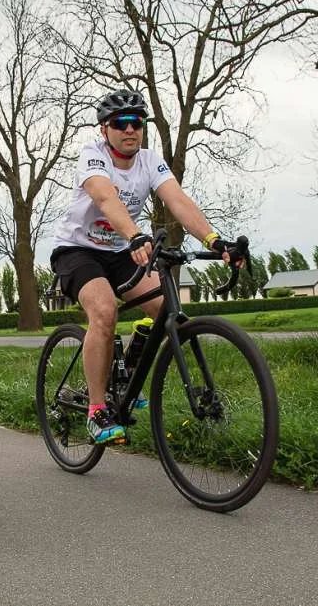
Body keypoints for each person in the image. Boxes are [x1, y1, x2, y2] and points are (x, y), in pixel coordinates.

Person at [50, 89, 239, 444]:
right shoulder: (93, 155)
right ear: (105, 129)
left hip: (123, 250)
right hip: (78, 250)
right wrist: (137, 234)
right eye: (120, 123)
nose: (130, 129)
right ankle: (96, 410)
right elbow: (105, 197)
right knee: (104, 312)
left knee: (165, 307)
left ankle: (133, 365)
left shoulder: (150, 161)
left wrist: (214, 239)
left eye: (137, 122)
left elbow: (178, 201)